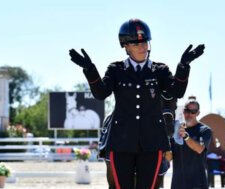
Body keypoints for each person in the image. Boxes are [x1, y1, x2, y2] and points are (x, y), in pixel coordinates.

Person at [69, 18, 205, 189]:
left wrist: (184, 65)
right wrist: (89, 69)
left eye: (145, 42)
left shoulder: (159, 70)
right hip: (121, 143)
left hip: (152, 142)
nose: (142, 47)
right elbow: (101, 94)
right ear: (126, 46)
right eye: (136, 44)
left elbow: (176, 92)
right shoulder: (116, 70)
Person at [171, 96, 212, 189]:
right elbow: (169, 157)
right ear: (183, 111)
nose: (189, 114)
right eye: (187, 110)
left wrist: (185, 137)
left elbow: (200, 149)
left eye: (193, 112)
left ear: (198, 113)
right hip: (178, 183)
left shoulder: (204, 130)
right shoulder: (176, 130)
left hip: (197, 183)